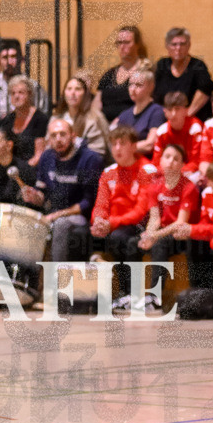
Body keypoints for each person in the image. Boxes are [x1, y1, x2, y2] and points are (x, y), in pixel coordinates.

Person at [90, 126, 159, 311]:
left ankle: (129, 293)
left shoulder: (147, 170)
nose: (117, 148)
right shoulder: (109, 172)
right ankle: (82, 297)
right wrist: (98, 221)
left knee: (119, 238)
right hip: (113, 224)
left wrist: (110, 223)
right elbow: (100, 204)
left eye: (122, 143)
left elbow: (140, 211)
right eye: (114, 144)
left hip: (137, 225)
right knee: (79, 235)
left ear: (134, 146)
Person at [138, 144, 200, 307]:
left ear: (182, 164)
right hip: (164, 232)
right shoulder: (155, 185)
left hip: (184, 235)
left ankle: (154, 296)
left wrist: (155, 236)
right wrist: (148, 235)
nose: (171, 161)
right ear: (161, 160)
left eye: (176, 159)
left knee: (161, 243)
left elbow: (181, 222)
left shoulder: (189, 187)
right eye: (167, 157)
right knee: (132, 243)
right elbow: (155, 218)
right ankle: (130, 294)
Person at [172, 161, 213, 311]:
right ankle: (198, 293)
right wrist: (189, 230)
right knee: (194, 242)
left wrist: (193, 230)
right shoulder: (207, 193)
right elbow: (205, 224)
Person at [36, 118, 103, 261]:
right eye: (54, 136)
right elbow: (42, 193)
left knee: (61, 224)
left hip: (82, 216)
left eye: (62, 134)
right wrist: (34, 196)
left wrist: (58, 214)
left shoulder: (90, 159)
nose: (58, 139)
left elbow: (89, 202)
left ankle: (56, 278)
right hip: (53, 213)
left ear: (73, 135)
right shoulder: (46, 157)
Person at [0, 38, 49, 131]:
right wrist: (1, 120)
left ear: (22, 59)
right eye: (4, 57)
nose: (9, 62)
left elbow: (44, 117)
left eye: (13, 56)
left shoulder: (34, 87)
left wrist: (25, 118)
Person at [153, 27, 213, 123]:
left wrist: (187, 115)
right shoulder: (162, 65)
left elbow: (206, 89)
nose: (178, 48)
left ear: (189, 45)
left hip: (192, 120)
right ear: (167, 46)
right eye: (174, 44)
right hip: (166, 120)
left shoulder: (197, 65)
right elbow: (152, 91)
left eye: (182, 44)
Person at [96, 26, 149, 123]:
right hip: (104, 126)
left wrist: (121, 120)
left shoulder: (145, 71)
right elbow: (96, 104)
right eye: (119, 43)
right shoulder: (109, 74)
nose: (122, 46)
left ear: (137, 44)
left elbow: (147, 103)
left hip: (131, 124)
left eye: (126, 42)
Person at [50, 75, 110, 158]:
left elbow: (97, 153)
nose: (73, 93)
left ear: (85, 94)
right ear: (64, 93)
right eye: (69, 89)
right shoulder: (56, 117)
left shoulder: (94, 118)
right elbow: (48, 147)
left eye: (78, 89)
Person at [0, 74, 48, 167]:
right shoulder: (7, 120)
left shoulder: (40, 119)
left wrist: (23, 170)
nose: (16, 96)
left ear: (30, 94)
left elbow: (39, 155)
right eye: (13, 93)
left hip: (31, 169)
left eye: (21, 92)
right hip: (9, 169)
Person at [111, 69, 165, 157]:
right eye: (131, 85)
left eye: (138, 85)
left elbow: (149, 144)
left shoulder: (157, 111)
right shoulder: (124, 115)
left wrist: (125, 149)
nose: (133, 89)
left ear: (151, 87)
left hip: (147, 163)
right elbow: (116, 143)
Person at [152, 92, 203, 177]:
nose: (173, 114)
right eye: (169, 109)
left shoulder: (195, 129)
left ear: (186, 110)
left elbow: (196, 161)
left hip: (189, 173)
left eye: (177, 109)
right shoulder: (161, 132)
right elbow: (156, 162)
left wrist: (177, 173)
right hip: (166, 173)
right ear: (165, 112)